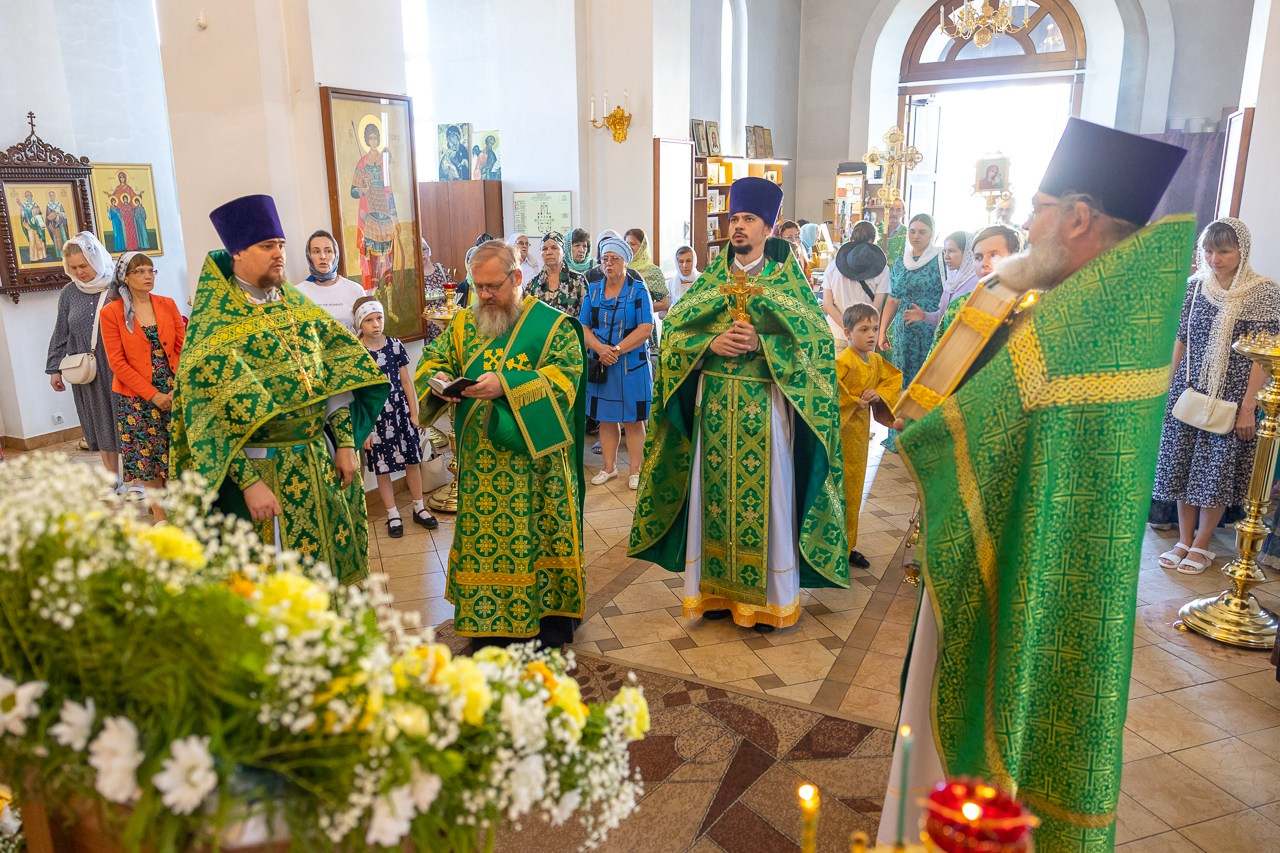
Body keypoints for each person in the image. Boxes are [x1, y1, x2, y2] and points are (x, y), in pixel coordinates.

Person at [878, 119, 1189, 851]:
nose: (1024, 224)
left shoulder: (1081, 323)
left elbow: (972, 423)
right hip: (1034, 540)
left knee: (983, 707)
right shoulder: (1105, 309)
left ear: (1079, 218)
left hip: (1019, 545)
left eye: (1039, 208)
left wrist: (918, 428)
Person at [630, 176, 850, 632]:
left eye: (749, 219)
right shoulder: (711, 280)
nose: (739, 228)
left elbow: (816, 347)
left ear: (768, 228)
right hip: (712, 415)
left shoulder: (786, 283)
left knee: (768, 501)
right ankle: (711, 592)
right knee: (710, 501)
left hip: (765, 411)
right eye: (734, 219)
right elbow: (674, 335)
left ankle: (770, 601)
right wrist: (710, 342)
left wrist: (764, 342)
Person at [169, 194, 388, 584]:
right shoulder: (214, 327)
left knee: (331, 570)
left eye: (282, 246)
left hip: (318, 460)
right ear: (237, 253)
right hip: (261, 470)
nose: (279, 254)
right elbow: (208, 420)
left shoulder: (297, 307)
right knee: (277, 582)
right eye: (267, 246)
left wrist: (344, 444)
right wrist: (250, 484)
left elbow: (334, 378)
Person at [414, 239, 587, 648]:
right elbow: (432, 362)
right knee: (485, 542)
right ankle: (486, 622)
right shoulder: (461, 325)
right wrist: (439, 384)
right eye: (479, 287)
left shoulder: (554, 327)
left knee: (540, 534)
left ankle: (550, 622)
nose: (486, 295)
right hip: (480, 463)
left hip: (535, 463)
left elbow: (565, 380)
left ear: (517, 278)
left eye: (494, 286)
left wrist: (507, 386)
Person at [1151, 218, 1280, 573]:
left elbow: (1263, 352)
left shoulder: (1262, 291)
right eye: (1208, 250)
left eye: (1223, 251)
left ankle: (1203, 542)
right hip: (1190, 386)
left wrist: (1248, 406)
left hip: (1234, 390)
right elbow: (1182, 337)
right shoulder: (1195, 286)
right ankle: (1183, 538)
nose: (1214, 258)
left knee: (1216, 468)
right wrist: (1167, 383)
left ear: (1242, 250)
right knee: (1182, 462)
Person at [99, 252, 185, 521]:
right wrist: (153, 395)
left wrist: (177, 388)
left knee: (175, 453)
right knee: (150, 460)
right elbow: (118, 364)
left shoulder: (167, 304)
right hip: (137, 396)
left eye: (151, 271)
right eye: (140, 272)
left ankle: (177, 506)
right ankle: (161, 517)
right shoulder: (111, 312)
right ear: (125, 277)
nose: (148, 276)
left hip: (173, 389)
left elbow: (184, 348)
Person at [354, 296, 437, 538]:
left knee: (413, 460)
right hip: (376, 420)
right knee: (383, 468)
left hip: (400, 413)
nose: (376, 324)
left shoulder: (395, 345)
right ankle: (392, 513)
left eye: (379, 318)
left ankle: (418, 507)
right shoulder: (359, 352)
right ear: (360, 323)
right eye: (369, 320)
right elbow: (358, 395)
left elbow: (406, 381)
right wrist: (366, 429)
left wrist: (415, 412)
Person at [46, 232, 122, 488]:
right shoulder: (69, 293)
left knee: (126, 418)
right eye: (73, 267)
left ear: (96, 259)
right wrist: (54, 368)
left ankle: (139, 479)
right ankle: (112, 480)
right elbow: (60, 331)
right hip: (88, 369)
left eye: (84, 265)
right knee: (99, 419)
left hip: (119, 364)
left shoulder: (117, 287)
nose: (79, 272)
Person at [580, 237, 654, 490]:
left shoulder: (639, 290)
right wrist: (600, 348)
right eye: (605, 259)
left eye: (614, 259)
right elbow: (583, 326)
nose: (608, 264)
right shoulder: (594, 290)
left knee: (634, 419)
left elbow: (646, 328)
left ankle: (636, 470)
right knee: (606, 417)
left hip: (631, 364)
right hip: (601, 363)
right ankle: (609, 468)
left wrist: (617, 349)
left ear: (625, 262)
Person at [837, 303, 901, 569]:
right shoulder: (843, 361)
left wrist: (878, 394)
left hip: (860, 438)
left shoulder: (875, 360)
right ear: (848, 332)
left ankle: (849, 546)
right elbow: (830, 390)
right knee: (839, 490)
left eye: (874, 328)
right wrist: (854, 400)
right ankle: (833, 547)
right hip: (840, 438)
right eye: (864, 329)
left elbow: (893, 379)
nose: (872, 335)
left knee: (854, 490)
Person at [879, 213, 945, 451]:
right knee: (902, 378)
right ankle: (899, 435)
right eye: (913, 231)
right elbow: (893, 300)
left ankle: (922, 437)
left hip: (929, 329)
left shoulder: (940, 260)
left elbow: (947, 295)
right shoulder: (900, 262)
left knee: (925, 379)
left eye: (922, 232)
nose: (916, 236)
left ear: (932, 234)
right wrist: (882, 331)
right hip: (903, 332)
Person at [823, 220, 889, 350]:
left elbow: (827, 305)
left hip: (837, 333)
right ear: (874, 241)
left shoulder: (832, 267)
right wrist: (860, 330)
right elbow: (876, 308)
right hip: (866, 337)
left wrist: (848, 329)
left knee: (838, 370)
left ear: (851, 238)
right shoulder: (883, 270)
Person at [294, 230, 367, 332]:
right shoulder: (297, 293)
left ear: (336, 255)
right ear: (309, 256)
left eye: (328, 251)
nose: (322, 256)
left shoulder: (355, 290)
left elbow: (366, 331)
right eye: (316, 251)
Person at [920, 230, 980, 346]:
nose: (946, 256)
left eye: (952, 251)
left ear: (968, 253)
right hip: (943, 343)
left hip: (961, 345)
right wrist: (923, 316)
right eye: (945, 251)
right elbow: (945, 317)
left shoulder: (976, 282)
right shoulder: (953, 279)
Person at [527, 232, 586, 316]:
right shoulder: (532, 284)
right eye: (544, 249)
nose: (549, 252)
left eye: (554, 248)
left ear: (563, 252)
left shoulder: (578, 279)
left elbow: (588, 316)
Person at [879, 199, 907, 267]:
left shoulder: (908, 233)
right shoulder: (877, 231)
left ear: (903, 213)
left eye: (898, 210)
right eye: (891, 209)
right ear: (885, 210)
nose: (894, 213)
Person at [45, 191, 70, 258]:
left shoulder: (59, 204)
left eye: (53, 195)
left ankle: (65, 254)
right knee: (57, 239)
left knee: (64, 237)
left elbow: (63, 213)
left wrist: (59, 215)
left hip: (61, 223)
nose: (52, 197)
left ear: (55, 196)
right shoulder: (49, 205)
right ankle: (59, 255)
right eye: (50, 195)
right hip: (54, 225)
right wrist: (53, 216)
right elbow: (48, 216)